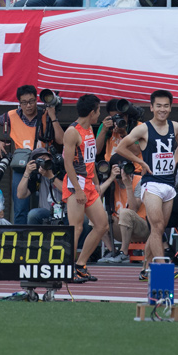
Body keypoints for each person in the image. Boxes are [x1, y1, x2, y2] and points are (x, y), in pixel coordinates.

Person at [116, 90, 178, 280]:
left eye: (166, 106)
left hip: (169, 185)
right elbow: (121, 147)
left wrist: (174, 160)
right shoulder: (143, 129)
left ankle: (145, 269)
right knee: (156, 226)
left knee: (159, 229)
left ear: (170, 107)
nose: (162, 109)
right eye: (159, 106)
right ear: (152, 107)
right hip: (151, 184)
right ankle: (163, 270)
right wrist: (142, 163)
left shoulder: (175, 127)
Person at [0, 85, 65, 223]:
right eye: (24, 102)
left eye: (32, 101)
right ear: (19, 103)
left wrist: (53, 116)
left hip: (44, 165)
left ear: (36, 100)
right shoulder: (11, 115)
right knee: (20, 206)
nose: (28, 105)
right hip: (22, 165)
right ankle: (21, 241)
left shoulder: (45, 115)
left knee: (52, 205)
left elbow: (61, 140)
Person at [62, 94, 108, 283]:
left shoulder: (89, 128)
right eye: (98, 110)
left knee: (102, 225)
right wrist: (79, 190)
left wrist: (95, 180)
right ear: (92, 112)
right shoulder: (72, 132)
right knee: (76, 228)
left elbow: (90, 158)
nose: (99, 114)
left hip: (89, 183)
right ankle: (67, 269)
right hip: (76, 185)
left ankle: (80, 265)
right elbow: (67, 164)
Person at [19, 148, 65, 225]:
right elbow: (20, 195)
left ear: (51, 158)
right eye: (38, 161)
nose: (42, 163)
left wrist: (51, 176)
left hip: (65, 212)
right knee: (33, 214)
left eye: (44, 159)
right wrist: (26, 173)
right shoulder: (37, 176)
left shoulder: (60, 169)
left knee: (84, 220)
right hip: (46, 212)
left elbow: (68, 191)